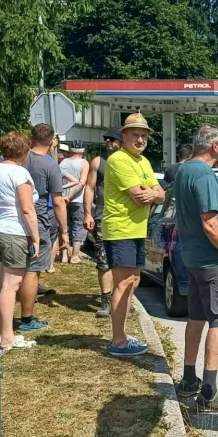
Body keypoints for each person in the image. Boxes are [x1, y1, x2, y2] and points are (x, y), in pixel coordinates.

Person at [174, 124, 218, 411]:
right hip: (213, 261)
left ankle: (189, 379)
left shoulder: (184, 169)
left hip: (192, 258)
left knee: (196, 318)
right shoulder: (203, 173)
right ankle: (209, 391)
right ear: (215, 147)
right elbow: (210, 223)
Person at [102, 113, 164, 357]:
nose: (140, 139)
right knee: (124, 282)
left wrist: (153, 193)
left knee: (133, 281)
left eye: (144, 135)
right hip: (121, 229)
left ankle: (122, 335)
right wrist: (152, 193)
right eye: (135, 134)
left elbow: (160, 194)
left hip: (136, 229)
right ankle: (118, 341)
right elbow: (140, 196)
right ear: (124, 136)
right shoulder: (119, 160)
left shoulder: (143, 161)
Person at [0, 132, 40, 351]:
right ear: (25, 152)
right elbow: (27, 209)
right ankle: (8, 338)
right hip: (13, 231)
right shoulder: (20, 173)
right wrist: (35, 237)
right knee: (11, 286)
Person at [18, 124, 69, 333]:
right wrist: (64, 231)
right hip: (37, 221)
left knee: (12, 270)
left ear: (31, 138)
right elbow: (58, 201)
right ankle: (27, 319)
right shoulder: (50, 165)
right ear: (52, 141)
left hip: (14, 218)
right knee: (33, 270)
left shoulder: (18, 157)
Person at [83, 130, 121, 318]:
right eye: (106, 139)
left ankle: (120, 299)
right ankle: (106, 301)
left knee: (123, 263)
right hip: (102, 217)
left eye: (112, 139)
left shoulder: (131, 162)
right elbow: (89, 188)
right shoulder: (98, 162)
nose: (108, 142)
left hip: (124, 219)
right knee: (103, 261)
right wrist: (88, 214)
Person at [59, 140, 88, 264]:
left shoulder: (63, 162)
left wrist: (65, 196)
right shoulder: (84, 163)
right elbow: (82, 183)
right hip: (77, 199)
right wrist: (70, 196)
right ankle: (75, 255)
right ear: (83, 151)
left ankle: (64, 255)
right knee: (77, 226)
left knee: (63, 226)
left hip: (62, 198)